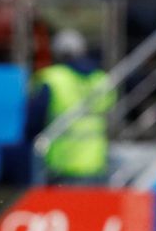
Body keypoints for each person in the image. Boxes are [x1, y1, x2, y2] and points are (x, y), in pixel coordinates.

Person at [26, 29, 115, 185]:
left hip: (62, 165)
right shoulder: (101, 79)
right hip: (96, 162)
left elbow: (33, 122)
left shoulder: (52, 78)